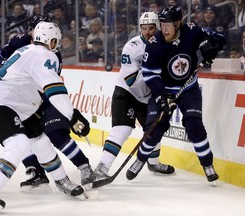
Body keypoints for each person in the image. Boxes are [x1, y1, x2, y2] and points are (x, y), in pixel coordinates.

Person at [0, 21, 87, 213]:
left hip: (15, 104)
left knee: (40, 141)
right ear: (51, 41)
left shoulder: (27, 49)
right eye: (55, 41)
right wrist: (72, 115)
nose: (56, 45)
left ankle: (61, 180)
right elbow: (54, 90)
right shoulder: (44, 55)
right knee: (18, 144)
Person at [125, 5, 226, 183]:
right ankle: (140, 160)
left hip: (188, 88)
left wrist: (212, 47)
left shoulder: (192, 31)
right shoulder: (155, 44)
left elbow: (218, 36)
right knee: (154, 130)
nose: (163, 29)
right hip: (163, 90)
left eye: (168, 24)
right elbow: (149, 74)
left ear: (178, 23)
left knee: (194, 126)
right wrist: (162, 96)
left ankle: (208, 165)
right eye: (162, 24)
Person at [93, 12, 175, 185]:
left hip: (149, 96)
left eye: (151, 28)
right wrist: (157, 76)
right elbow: (131, 80)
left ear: (158, 27)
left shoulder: (167, 45)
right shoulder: (133, 47)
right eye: (144, 29)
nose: (147, 32)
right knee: (122, 129)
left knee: (154, 130)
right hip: (127, 93)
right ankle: (102, 168)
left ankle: (153, 164)